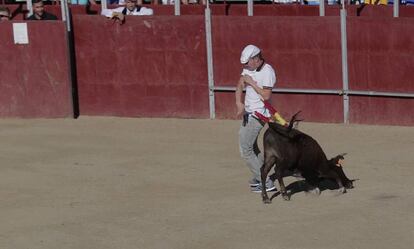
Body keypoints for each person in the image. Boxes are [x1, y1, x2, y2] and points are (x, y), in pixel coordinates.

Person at [235, 44, 277, 193]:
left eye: (247, 62)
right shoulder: (248, 68)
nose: (245, 66)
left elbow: (266, 96)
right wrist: (239, 103)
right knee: (251, 146)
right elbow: (240, 85)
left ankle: (265, 181)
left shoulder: (268, 72)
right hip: (248, 113)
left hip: (259, 115)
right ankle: (259, 175)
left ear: (255, 58)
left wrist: (252, 83)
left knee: (245, 148)